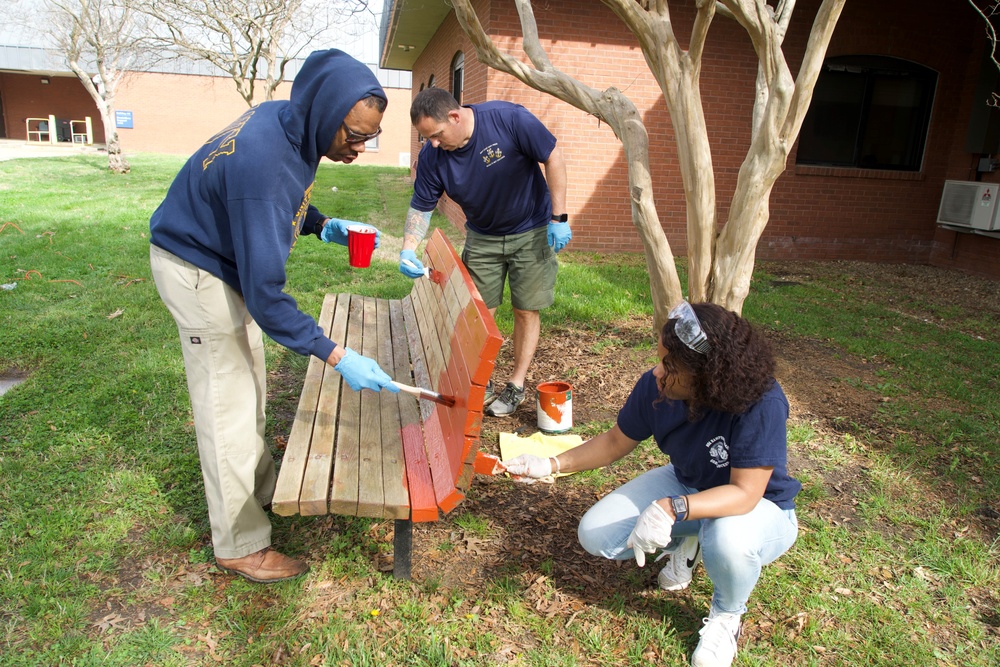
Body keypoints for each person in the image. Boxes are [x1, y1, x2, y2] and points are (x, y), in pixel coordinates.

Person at [148, 49, 399, 584]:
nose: (360, 148)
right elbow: (267, 298)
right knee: (226, 404)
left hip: (220, 258)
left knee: (249, 379)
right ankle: (239, 543)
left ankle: (261, 485)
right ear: (323, 112)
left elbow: (285, 200)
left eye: (368, 137)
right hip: (196, 269)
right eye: (353, 135)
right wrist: (337, 354)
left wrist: (321, 224)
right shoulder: (263, 162)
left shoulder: (289, 123)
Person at [503, 301, 801, 667]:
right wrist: (549, 464)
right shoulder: (656, 387)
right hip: (689, 484)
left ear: (709, 373)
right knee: (596, 534)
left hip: (759, 508)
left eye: (670, 366)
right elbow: (614, 443)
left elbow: (745, 493)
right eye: (660, 359)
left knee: (725, 539)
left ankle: (727, 615)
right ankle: (689, 539)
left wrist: (672, 508)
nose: (658, 372)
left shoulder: (762, 401)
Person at [398, 87, 569, 416]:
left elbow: (553, 155)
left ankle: (516, 385)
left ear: (455, 117)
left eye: (435, 135)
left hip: (530, 229)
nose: (433, 143)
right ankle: (482, 381)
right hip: (483, 236)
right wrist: (408, 248)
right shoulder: (434, 156)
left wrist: (558, 218)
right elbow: (421, 207)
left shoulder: (508, 120)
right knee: (479, 315)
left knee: (526, 309)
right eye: (426, 138)